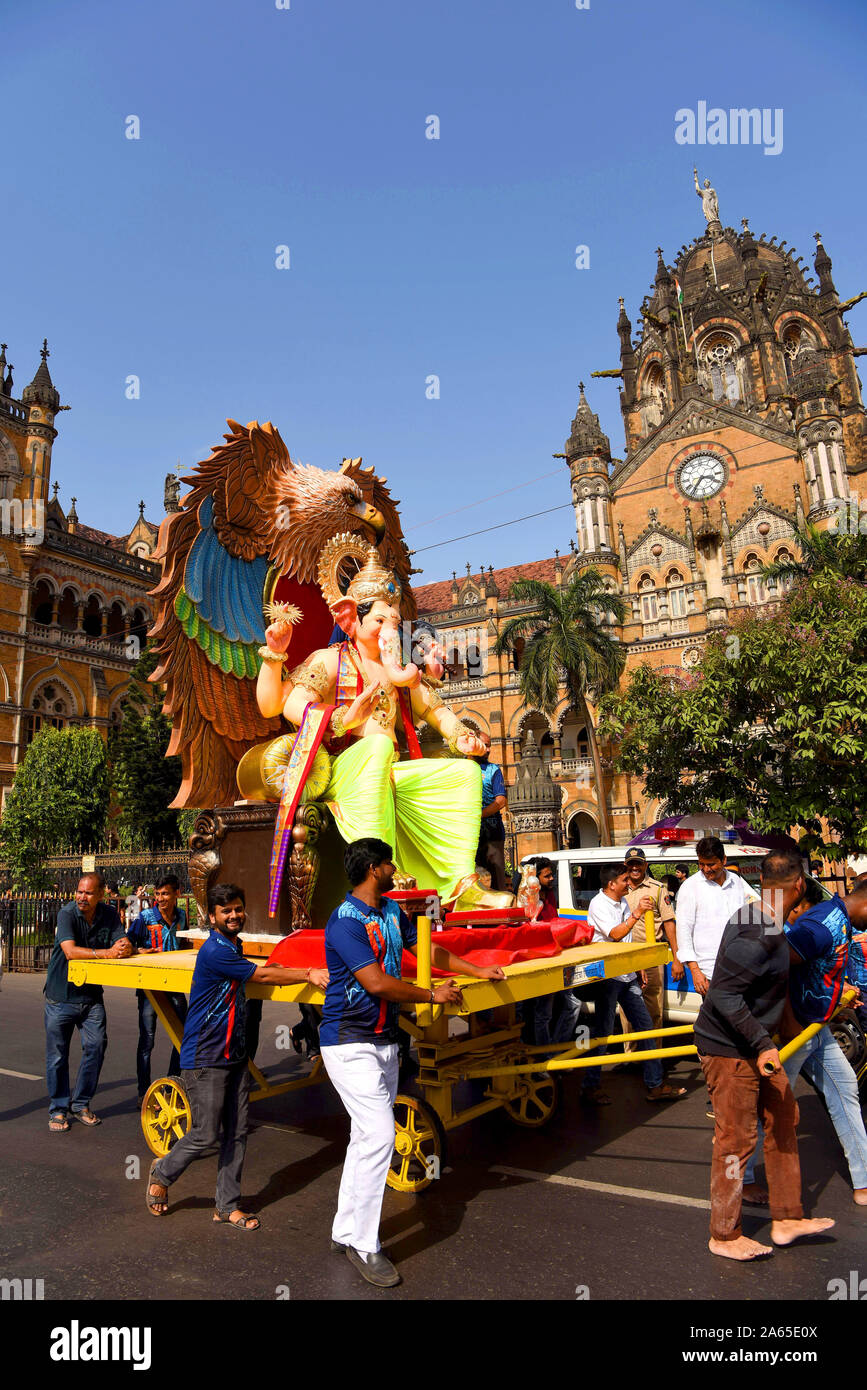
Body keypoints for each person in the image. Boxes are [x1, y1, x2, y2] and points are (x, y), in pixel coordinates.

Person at [256, 539, 512, 911]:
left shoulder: (400, 673)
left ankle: (461, 885)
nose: (388, 629)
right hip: (343, 769)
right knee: (376, 747)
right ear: (349, 618)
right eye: (379, 620)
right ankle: (383, 871)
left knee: (465, 776)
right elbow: (286, 704)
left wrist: (462, 736)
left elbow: (436, 710)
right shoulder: (330, 661)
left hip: (386, 771)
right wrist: (346, 718)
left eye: (394, 621)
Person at [320, 837, 506, 1287]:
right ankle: (364, 1245)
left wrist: (477, 970)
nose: (395, 870)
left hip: (384, 1040)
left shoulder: (389, 912)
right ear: (372, 869)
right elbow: (378, 983)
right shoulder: (344, 921)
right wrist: (431, 994)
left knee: (365, 1139)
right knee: (382, 1135)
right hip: (349, 1042)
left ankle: (344, 1229)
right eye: (388, 863)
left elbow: (427, 950)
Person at [145, 883, 328, 1228]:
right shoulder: (216, 950)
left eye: (238, 909)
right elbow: (261, 974)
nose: (233, 915)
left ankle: (226, 1207)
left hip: (234, 1054)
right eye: (225, 910)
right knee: (205, 1133)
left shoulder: (234, 946)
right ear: (212, 917)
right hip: (206, 1056)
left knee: (237, 1132)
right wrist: (308, 973)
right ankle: (163, 1171)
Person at [695, 847, 835, 1260]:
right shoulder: (758, 931)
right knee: (736, 1140)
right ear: (799, 885)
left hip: (755, 1045)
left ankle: (788, 1217)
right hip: (728, 1049)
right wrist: (760, 1045)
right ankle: (724, 1235)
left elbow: (768, 991)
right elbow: (723, 994)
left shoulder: (765, 920)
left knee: (785, 1117)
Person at [747, 879, 867, 1208]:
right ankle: (742, 1178)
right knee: (771, 1105)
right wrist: (788, 1022)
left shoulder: (840, 922)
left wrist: (832, 1006)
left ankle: (864, 1182)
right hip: (797, 1031)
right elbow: (778, 963)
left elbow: (819, 971)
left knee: (846, 1092)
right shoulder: (823, 924)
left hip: (817, 1029)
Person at [580, 863, 687, 1106]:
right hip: (608, 978)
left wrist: (638, 967)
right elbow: (616, 934)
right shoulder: (600, 904)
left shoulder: (622, 903)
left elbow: (626, 940)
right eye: (624, 879)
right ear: (611, 884)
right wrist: (637, 913)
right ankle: (590, 1085)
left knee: (646, 1028)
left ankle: (655, 1084)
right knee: (604, 1032)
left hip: (627, 977)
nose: (629, 883)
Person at [44, 871, 132, 1131]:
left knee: (96, 1047)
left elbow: (121, 941)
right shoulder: (67, 914)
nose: (82, 897)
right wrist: (108, 953)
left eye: (88, 893)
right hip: (60, 997)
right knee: (57, 1056)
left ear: (101, 894)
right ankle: (58, 1109)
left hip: (91, 998)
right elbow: (70, 951)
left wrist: (125, 946)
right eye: (80, 892)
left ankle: (81, 1104)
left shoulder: (109, 914)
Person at [126, 874, 189, 1102]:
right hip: (149, 987)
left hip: (174, 984)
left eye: (165, 894)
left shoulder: (182, 916)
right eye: (158, 894)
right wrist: (139, 951)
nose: (161, 898)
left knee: (183, 1035)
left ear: (176, 895)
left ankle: (172, 1083)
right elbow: (127, 942)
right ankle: (144, 1092)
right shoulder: (145, 917)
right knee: (147, 1040)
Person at [623, 847, 682, 1030]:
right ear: (625, 866)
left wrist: (677, 958)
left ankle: (653, 1055)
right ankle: (630, 1056)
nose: (635, 868)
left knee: (654, 1008)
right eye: (631, 864)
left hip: (652, 954)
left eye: (638, 864)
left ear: (645, 865)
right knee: (627, 1009)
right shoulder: (618, 888)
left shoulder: (657, 889)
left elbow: (669, 923)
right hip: (626, 955)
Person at [474, 731, 508, 892]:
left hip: (492, 833)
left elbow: (501, 801)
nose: (488, 750)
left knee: (495, 880)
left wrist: (478, 815)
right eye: (484, 745)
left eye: (489, 746)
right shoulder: (461, 768)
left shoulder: (493, 770)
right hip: (469, 834)